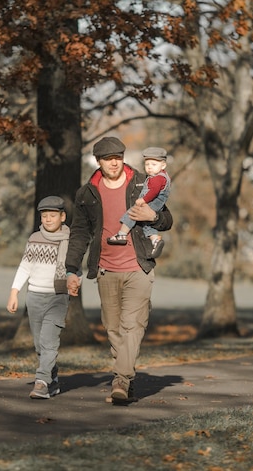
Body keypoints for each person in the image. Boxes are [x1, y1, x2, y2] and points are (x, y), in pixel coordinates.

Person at [65, 137, 173, 404]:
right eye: (107, 158)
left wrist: (154, 218)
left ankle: (121, 380)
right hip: (105, 269)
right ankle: (127, 378)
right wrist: (71, 269)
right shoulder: (86, 193)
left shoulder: (142, 182)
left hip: (139, 266)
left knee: (133, 326)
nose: (113, 162)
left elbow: (166, 219)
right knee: (113, 329)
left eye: (118, 157)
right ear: (98, 161)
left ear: (123, 158)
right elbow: (80, 233)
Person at [7, 195, 70, 399]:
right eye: (44, 216)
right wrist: (14, 292)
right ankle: (52, 380)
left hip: (57, 297)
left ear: (63, 217)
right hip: (34, 297)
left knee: (48, 342)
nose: (48, 219)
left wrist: (75, 280)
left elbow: (74, 268)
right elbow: (25, 267)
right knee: (39, 345)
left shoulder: (70, 240)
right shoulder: (34, 238)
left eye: (53, 215)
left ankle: (41, 382)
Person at [107, 146, 171, 258]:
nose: (150, 167)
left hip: (152, 202)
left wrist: (143, 200)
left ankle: (121, 234)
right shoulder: (161, 176)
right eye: (147, 164)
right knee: (146, 223)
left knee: (132, 213)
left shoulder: (157, 178)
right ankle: (155, 240)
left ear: (163, 165)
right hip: (156, 204)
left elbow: (153, 191)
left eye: (154, 165)